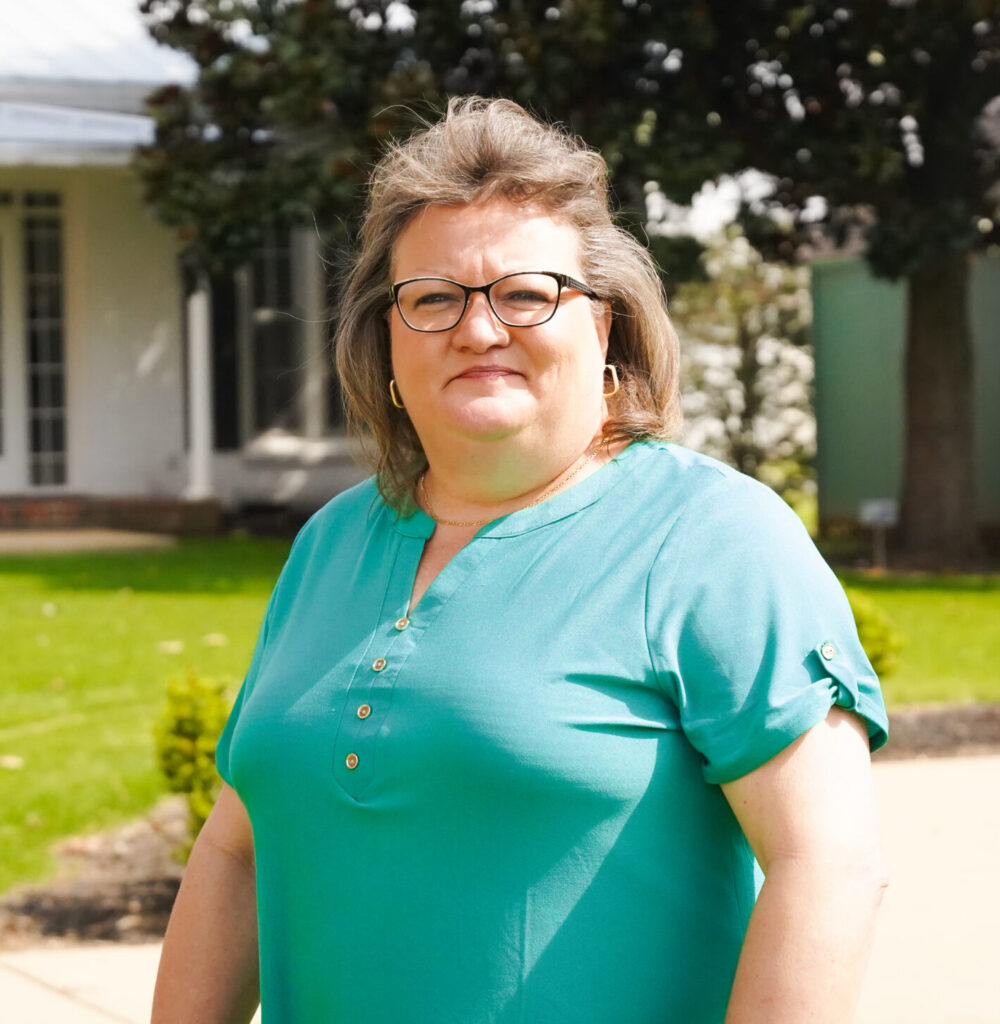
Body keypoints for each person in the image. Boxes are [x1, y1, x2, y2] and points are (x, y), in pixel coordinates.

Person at [152, 97, 889, 1024]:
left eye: (527, 293)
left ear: (606, 324)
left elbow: (828, 865)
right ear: (384, 340)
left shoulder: (714, 537)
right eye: (431, 300)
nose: (479, 329)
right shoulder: (331, 542)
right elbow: (237, 852)